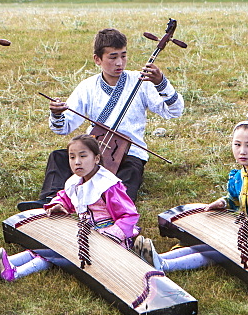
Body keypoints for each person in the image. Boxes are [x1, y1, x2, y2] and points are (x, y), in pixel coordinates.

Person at [17, 28, 184, 210]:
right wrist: (57, 113)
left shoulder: (141, 82)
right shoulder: (88, 86)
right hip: (95, 149)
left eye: (123, 56)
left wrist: (161, 83)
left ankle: (110, 210)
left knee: (130, 173)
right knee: (59, 157)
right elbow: (63, 127)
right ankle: (51, 201)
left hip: (129, 153)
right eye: (112, 57)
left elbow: (174, 111)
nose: (119, 63)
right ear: (97, 59)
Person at [134, 113, 248, 271]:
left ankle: (165, 265)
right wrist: (223, 203)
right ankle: (157, 257)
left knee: (219, 252)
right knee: (207, 245)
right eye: (237, 145)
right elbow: (234, 199)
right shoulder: (239, 175)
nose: (242, 151)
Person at [0, 134, 139, 281]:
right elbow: (67, 197)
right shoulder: (77, 181)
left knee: (59, 252)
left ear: (96, 158)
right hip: (86, 232)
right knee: (50, 245)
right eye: (72, 157)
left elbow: (129, 215)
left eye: (83, 156)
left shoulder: (108, 185)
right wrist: (59, 204)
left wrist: (110, 234)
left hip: (109, 239)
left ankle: (15, 272)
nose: (77, 161)